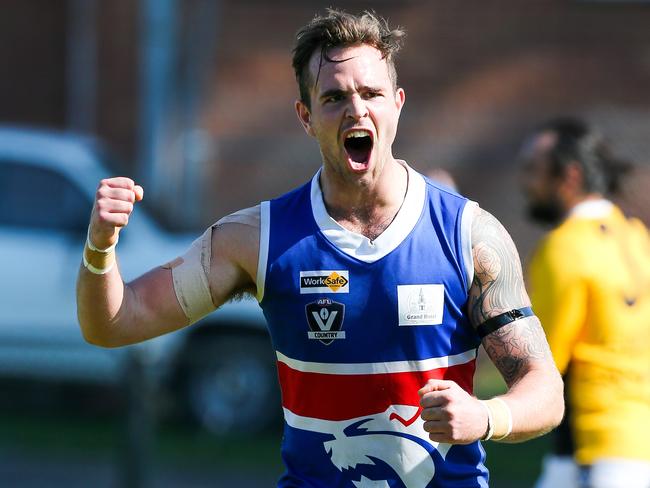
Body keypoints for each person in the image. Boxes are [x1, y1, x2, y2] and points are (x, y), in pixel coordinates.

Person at [77, 9, 563, 487]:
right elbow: (115, 322)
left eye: (371, 93)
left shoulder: (468, 233)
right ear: (305, 117)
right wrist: (100, 247)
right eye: (334, 97)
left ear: (397, 103)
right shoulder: (257, 238)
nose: (357, 109)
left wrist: (485, 416)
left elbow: (545, 391)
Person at [520, 117, 650, 488]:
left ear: (570, 176)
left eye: (533, 170)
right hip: (639, 441)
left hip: (595, 446)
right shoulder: (636, 236)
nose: (525, 183)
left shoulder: (564, 247)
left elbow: (542, 361)